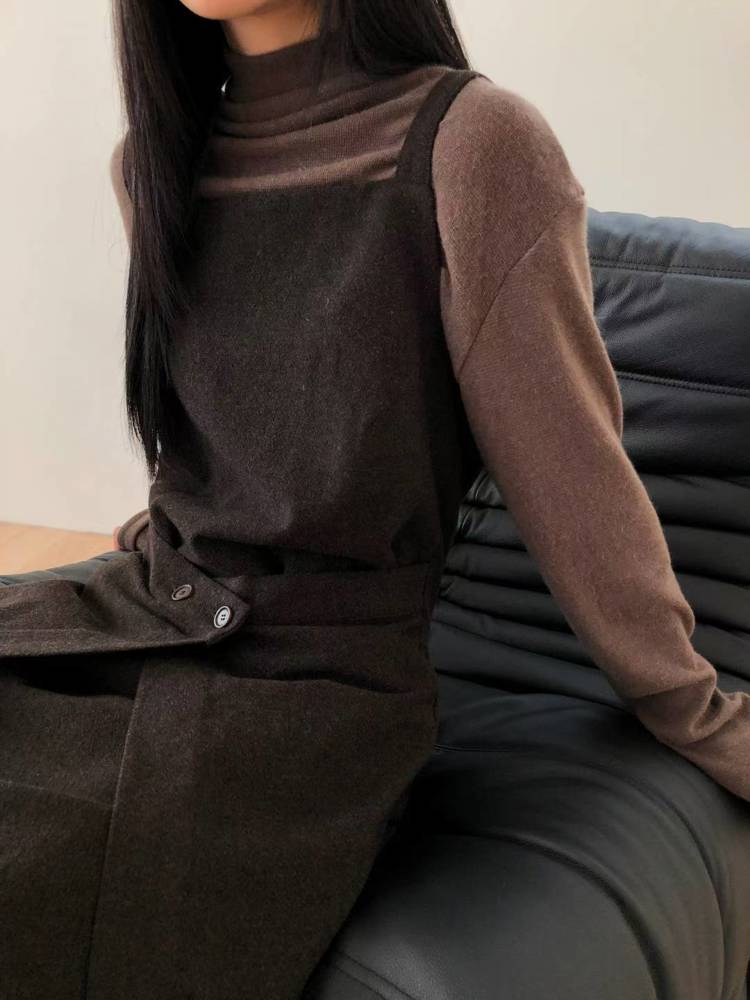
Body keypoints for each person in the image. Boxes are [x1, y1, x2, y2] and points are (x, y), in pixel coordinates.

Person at [1, 0, 748, 997]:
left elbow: (575, 480)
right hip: (155, 609)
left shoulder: (473, 145)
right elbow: (209, 450)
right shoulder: (155, 161)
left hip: (313, 691)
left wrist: (690, 708)